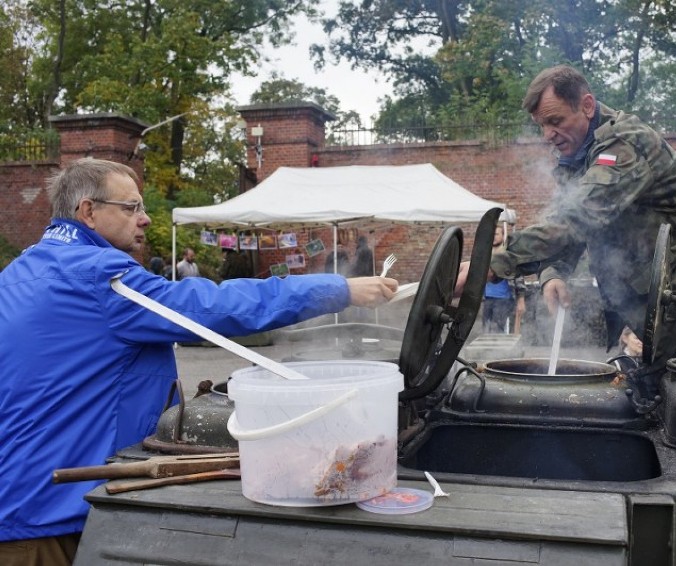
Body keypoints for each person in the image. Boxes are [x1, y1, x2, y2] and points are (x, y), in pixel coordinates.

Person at [0, 158, 398, 565]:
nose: (145, 219)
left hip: (24, 493)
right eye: (132, 207)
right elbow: (210, 307)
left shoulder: (19, 273)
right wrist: (337, 290)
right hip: (54, 515)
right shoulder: (98, 276)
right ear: (88, 211)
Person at [466, 64, 676, 369]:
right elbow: (570, 220)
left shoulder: (624, 144)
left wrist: (491, 262)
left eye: (555, 121)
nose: (548, 135)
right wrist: (554, 272)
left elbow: (579, 217)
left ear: (587, 106)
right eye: (541, 125)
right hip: (667, 290)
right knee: (663, 387)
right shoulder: (575, 158)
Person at [482, 225, 526, 333]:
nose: (493, 237)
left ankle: (497, 350)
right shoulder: (485, 254)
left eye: (496, 234)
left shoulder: (508, 254)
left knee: (497, 329)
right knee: (485, 329)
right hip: (487, 298)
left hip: (503, 299)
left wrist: (521, 299)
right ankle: (487, 350)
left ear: (503, 236)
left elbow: (519, 276)